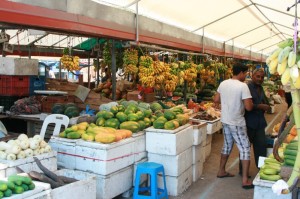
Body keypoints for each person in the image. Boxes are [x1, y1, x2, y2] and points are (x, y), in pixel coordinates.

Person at [214, 63, 254, 189]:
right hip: (237, 122)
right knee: (245, 148)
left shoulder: (223, 83)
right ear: (241, 73)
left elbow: (215, 100)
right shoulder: (243, 86)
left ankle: (221, 171)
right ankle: (245, 180)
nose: (246, 75)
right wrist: (252, 104)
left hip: (225, 120)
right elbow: (248, 107)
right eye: (246, 73)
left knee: (227, 145)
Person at [244, 68, 271, 169]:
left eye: (262, 77)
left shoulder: (261, 88)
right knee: (245, 148)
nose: (260, 79)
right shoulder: (247, 87)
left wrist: (267, 106)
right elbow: (246, 105)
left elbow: (265, 101)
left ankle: (261, 169)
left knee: (261, 147)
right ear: (252, 76)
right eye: (258, 76)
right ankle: (243, 171)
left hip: (260, 123)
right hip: (249, 123)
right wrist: (260, 106)